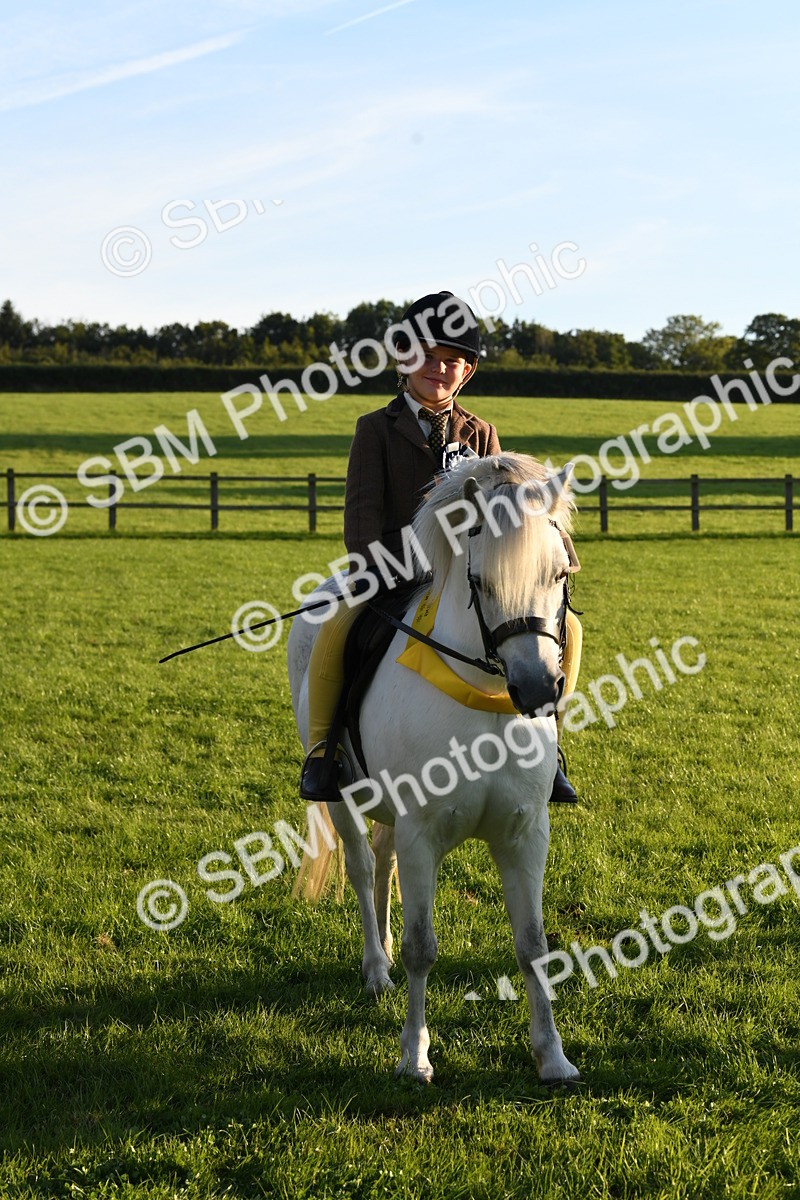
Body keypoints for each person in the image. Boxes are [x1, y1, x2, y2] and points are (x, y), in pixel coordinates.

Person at [299, 290, 581, 804]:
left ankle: (552, 748)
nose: (439, 369)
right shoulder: (374, 430)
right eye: (427, 357)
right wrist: (401, 568)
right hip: (391, 576)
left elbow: (510, 520)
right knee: (336, 626)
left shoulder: (482, 433)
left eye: (452, 361)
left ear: (467, 372)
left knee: (569, 628)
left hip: (469, 581)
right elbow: (361, 526)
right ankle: (324, 753)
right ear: (402, 358)